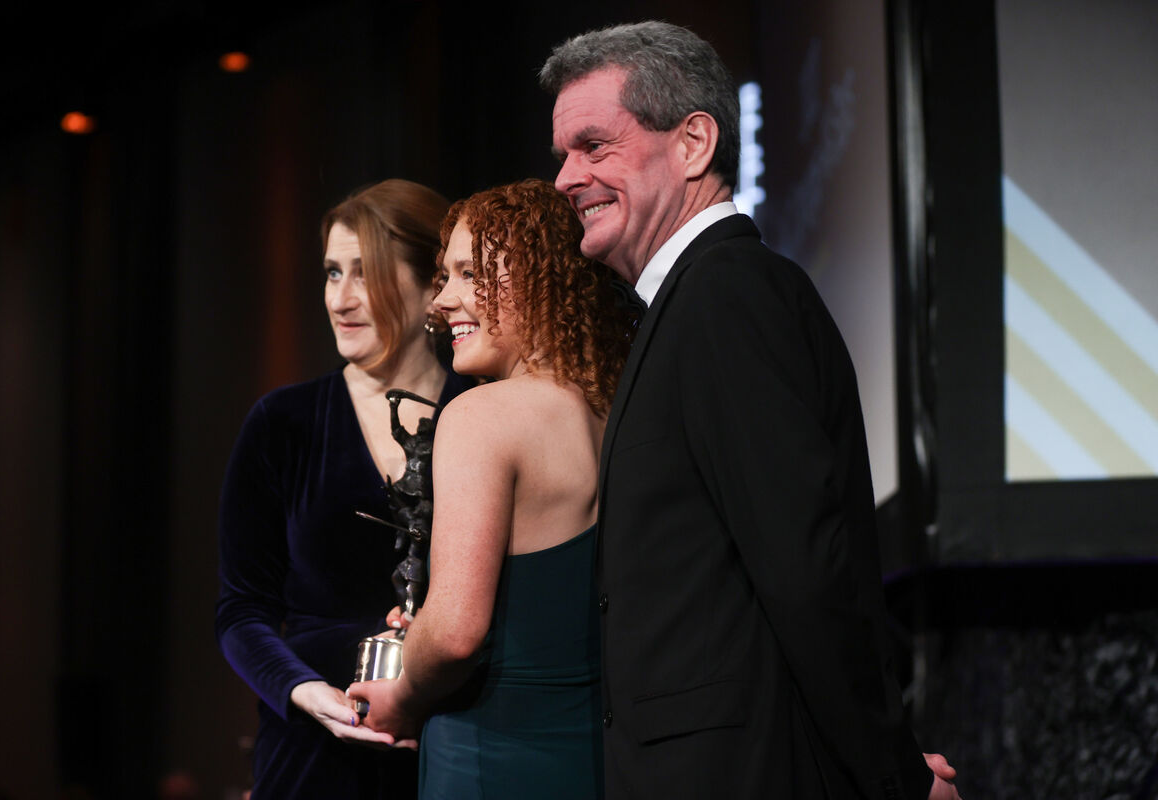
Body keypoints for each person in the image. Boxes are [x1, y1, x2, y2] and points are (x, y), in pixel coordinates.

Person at [540, 21, 962, 799]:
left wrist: (895, 775)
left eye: (593, 145)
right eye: (564, 152)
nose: (566, 178)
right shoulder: (690, 303)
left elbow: (805, 566)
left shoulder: (727, 294)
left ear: (694, 142)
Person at [346, 178, 636, 799]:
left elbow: (454, 634)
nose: (441, 301)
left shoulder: (481, 417)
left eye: (469, 274)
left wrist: (402, 693)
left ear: (539, 277)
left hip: (492, 760)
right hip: (597, 764)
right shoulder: (615, 415)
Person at [215, 179, 471, 799]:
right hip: (311, 757)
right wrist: (306, 694)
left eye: (366, 274)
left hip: (455, 746)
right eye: (332, 273)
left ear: (431, 285)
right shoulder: (283, 423)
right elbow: (241, 611)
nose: (342, 298)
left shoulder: (485, 413)